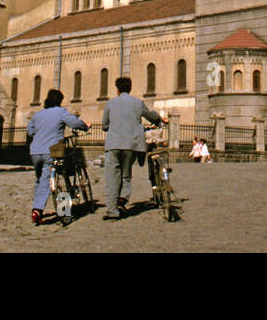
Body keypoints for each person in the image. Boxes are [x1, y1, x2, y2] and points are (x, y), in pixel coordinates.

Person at [101, 76, 165, 220]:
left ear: (117, 89)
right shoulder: (137, 103)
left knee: (112, 177)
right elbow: (151, 116)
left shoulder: (110, 103)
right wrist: (159, 119)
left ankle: (112, 211)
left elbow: (104, 124)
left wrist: (109, 127)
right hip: (132, 145)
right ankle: (122, 199)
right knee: (126, 174)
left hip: (114, 145)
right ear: (130, 88)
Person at [26, 89, 89, 225]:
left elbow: (30, 131)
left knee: (40, 180)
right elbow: (75, 123)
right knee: (59, 178)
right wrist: (85, 126)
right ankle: (44, 210)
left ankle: (38, 209)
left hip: (35, 152)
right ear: (59, 101)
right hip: (52, 151)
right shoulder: (61, 112)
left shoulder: (37, 115)